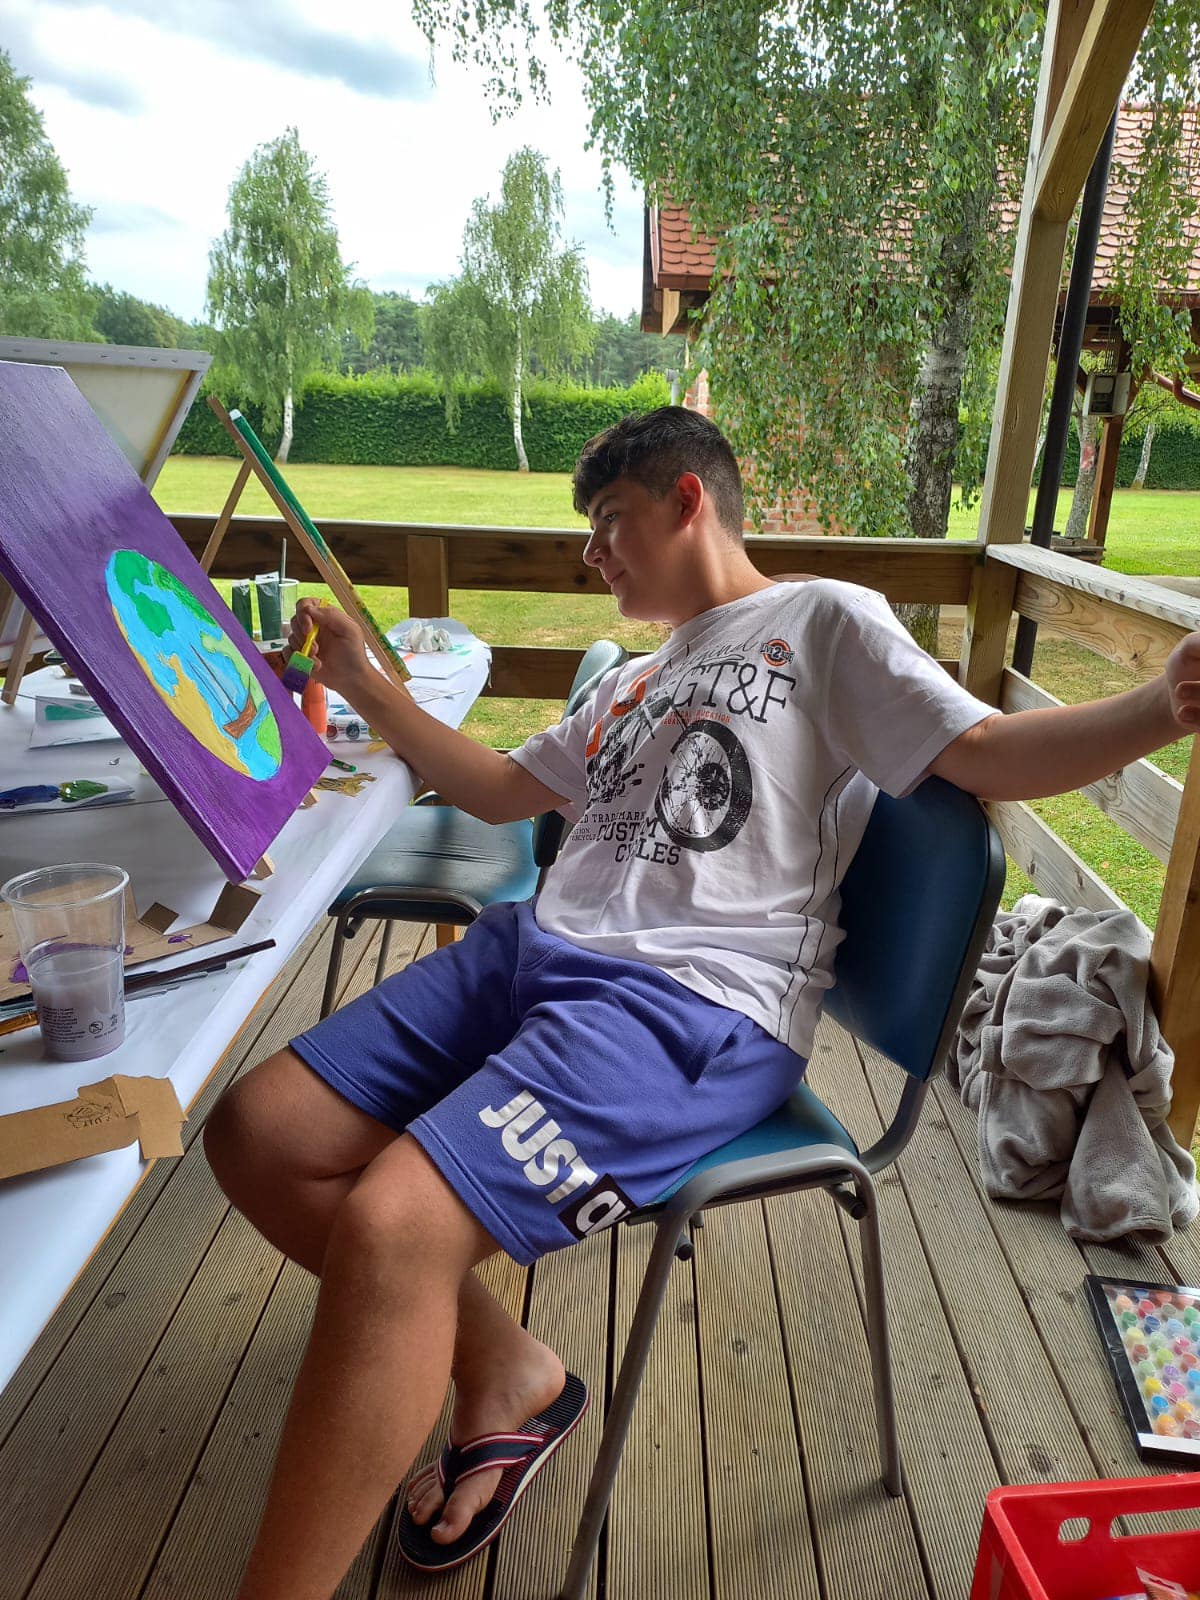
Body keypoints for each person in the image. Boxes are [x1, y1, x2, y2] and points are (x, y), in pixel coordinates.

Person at [205, 406, 1200, 1600]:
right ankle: (508, 1367)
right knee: (254, 1132)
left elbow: (986, 752)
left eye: (610, 520)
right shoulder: (635, 677)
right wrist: (369, 684)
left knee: (392, 1226)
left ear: (688, 500)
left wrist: (1159, 708)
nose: (592, 553)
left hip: (688, 1005)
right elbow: (497, 788)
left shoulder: (823, 619)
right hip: (530, 953)